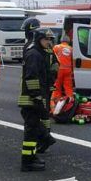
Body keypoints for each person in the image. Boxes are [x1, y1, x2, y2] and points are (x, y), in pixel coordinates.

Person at [18, 27, 56, 171]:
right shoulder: (34, 54)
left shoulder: (39, 52)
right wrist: (37, 96)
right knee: (31, 130)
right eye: (46, 39)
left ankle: (32, 157)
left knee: (33, 130)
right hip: (31, 99)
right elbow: (31, 77)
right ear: (39, 39)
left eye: (50, 39)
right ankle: (27, 162)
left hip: (36, 97)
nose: (49, 42)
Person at [52, 34, 74, 100]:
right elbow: (72, 60)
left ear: (61, 40)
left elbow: (52, 57)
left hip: (59, 70)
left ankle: (56, 101)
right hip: (68, 70)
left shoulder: (56, 47)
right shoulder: (71, 49)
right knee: (68, 87)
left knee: (57, 86)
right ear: (69, 41)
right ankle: (70, 100)